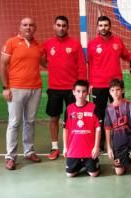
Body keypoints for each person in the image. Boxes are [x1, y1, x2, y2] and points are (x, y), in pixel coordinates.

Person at [0, 17, 43, 170]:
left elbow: (46, 62)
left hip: (35, 88)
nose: (28, 27)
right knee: (14, 123)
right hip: (16, 88)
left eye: (31, 25)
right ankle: (10, 157)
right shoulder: (11, 42)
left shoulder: (38, 45)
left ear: (35, 28)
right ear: (20, 27)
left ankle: (29, 151)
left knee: (30, 121)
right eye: (25, 25)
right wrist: (5, 88)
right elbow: (2, 65)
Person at [42, 16, 87, 160]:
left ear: (68, 27)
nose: (61, 28)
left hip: (71, 90)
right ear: (54, 26)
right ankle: (55, 147)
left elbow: (81, 65)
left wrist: (81, 88)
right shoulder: (48, 44)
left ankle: (72, 145)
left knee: (72, 119)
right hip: (54, 88)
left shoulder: (75, 44)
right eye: (59, 25)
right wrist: (50, 67)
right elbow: (40, 59)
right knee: (54, 117)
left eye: (64, 26)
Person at [87, 16, 131, 151]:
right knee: (99, 114)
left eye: (106, 25)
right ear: (97, 27)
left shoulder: (118, 41)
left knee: (117, 114)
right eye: (100, 25)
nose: (103, 28)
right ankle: (99, 142)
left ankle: (116, 140)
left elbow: (127, 56)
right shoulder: (92, 44)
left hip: (115, 85)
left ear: (110, 26)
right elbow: (87, 64)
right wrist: (90, 83)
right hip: (98, 85)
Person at [104, 79, 131, 180]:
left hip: (130, 136)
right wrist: (109, 147)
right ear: (110, 92)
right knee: (119, 172)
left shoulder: (129, 105)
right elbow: (107, 129)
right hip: (118, 140)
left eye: (118, 90)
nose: (115, 92)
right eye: (112, 90)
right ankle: (126, 159)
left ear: (123, 90)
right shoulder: (108, 109)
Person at [63, 80, 100, 177]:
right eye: (78, 91)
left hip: (89, 150)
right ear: (73, 92)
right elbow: (65, 129)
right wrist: (65, 147)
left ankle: (89, 163)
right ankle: (80, 163)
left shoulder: (93, 107)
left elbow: (98, 129)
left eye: (84, 91)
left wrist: (96, 147)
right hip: (73, 149)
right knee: (69, 175)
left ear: (87, 92)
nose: (81, 94)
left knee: (94, 174)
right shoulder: (69, 109)